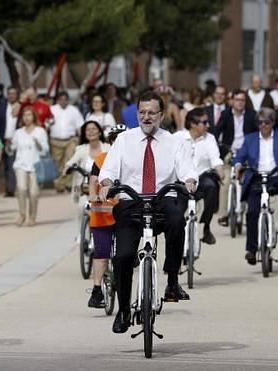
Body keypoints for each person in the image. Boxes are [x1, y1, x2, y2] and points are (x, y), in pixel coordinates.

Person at [98, 91, 197, 334]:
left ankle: (172, 280)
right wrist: (108, 184)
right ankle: (123, 310)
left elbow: (187, 170)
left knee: (177, 220)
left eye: (151, 112)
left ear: (161, 115)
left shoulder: (175, 141)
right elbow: (108, 170)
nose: (146, 116)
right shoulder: (124, 140)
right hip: (131, 200)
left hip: (163, 198)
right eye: (142, 112)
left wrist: (190, 181)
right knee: (122, 256)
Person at [233, 108, 278, 265]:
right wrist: (237, 165)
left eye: (267, 122)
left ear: (273, 123)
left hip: (276, 176)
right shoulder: (250, 139)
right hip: (256, 177)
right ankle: (251, 249)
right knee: (251, 212)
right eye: (260, 122)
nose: (263, 125)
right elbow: (240, 156)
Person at [86, 124, 127, 308]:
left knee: (128, 252)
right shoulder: (101, 159)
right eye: (115, 139)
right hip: (102, 215)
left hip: (125, 214)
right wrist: (92, 195)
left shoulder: (133, 161)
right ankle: (96, 292)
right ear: (110, 142)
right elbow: (94, 178)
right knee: (101, 253)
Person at [173, 107, 224, 244]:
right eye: (204, 122)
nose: (208, 125)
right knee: (176, 213)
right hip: (182, 181)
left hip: (202, 178)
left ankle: (206, 227)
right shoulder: (178, 137)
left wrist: (220, 170)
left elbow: (215, 158)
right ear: (193, 124)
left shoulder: (210, 138)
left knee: (212, 187)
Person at [211, 89, 258, 226]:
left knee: (249, 181)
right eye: (237, 100)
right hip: (228, 151)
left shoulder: (251, 115)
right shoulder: (226, 114)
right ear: (232, 101)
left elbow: (256, 135)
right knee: (225, 182)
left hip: (246, 153)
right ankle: (224, 214)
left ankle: (248, 211)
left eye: (242, 100)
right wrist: (216, 144)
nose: (239, 103)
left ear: (245, 101)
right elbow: (216, 131)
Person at [11, 107, 49, 227]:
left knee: (34, 193)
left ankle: (32, 217)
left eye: (29, 115)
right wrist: (8, 146)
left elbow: (45, 151)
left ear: (33, 116)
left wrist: (39, 144)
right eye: (24, 115)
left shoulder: (40, 131)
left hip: (35, 165)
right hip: (20, 164)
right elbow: (12, 148)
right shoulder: (18, 132)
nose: (27, 117)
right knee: (21, 188)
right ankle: (22, 214)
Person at [50, 91, 84, 193]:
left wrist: (82, 140)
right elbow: (47, 123)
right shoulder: (52, 109)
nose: (63, 101)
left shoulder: (74, 110)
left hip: (70, 140)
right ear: (58, 100)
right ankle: (61, 184)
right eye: (61, 99)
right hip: (55, 141)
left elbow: (79, 126)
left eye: (65, 99)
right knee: (58, 164)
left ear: (67, 100)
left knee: (69, 161)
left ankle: (67, 184)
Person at [0, 86, 21, 197]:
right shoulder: (1, 107)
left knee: (12, 164)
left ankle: (11, 188)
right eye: (10, 93)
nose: (11, 95)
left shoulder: (20, 108)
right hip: (3, 140)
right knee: (5, 165)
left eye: (14, 93)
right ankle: (8, 187)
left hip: (16, 141)